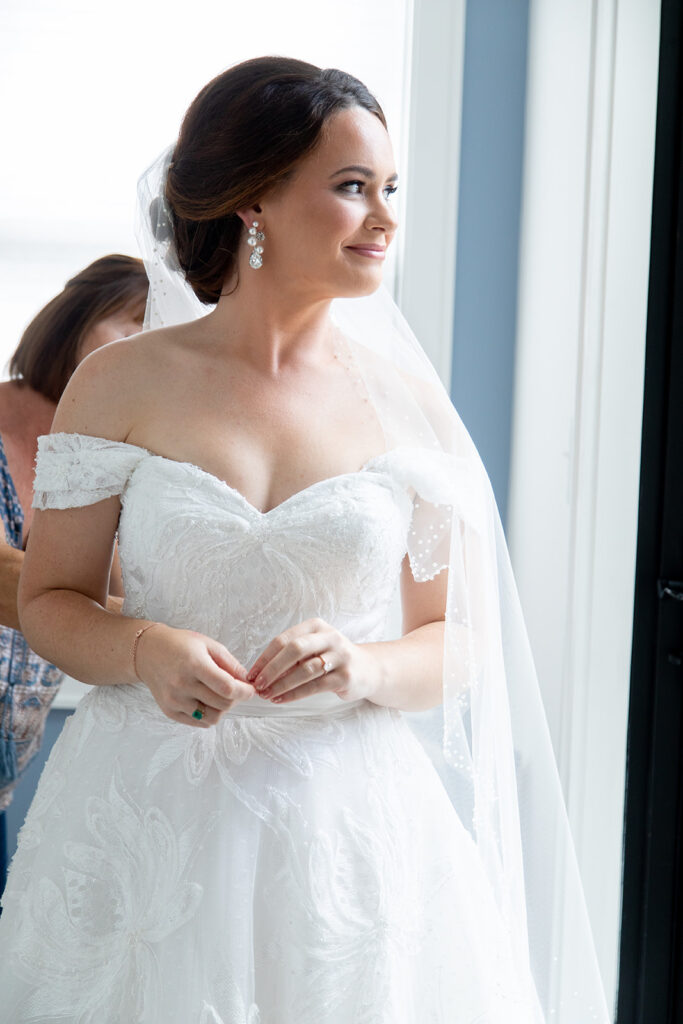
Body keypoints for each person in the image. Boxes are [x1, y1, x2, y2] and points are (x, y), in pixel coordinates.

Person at [0, 58, 610, 1023]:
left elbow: (456, 641)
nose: (384, 217)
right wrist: (145, 648)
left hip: (348, 834)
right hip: (146, 828)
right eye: (351, 187)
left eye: (390, 188)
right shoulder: (121, 384)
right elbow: (48, 601)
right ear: (254, 204)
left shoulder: (408, 407)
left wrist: (362, 665)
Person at [0, 254, 148, 887]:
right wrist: (166, 642)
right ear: (73, 319)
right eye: (131, 329)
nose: (145, 356)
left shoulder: (104, 460)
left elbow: (124, 587)